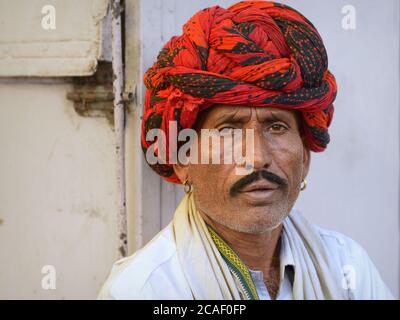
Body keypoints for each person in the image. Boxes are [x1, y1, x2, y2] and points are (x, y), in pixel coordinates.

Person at [98, 0, 393, 299]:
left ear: (305, 157)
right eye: (228, 130)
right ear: (183, 158)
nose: (258, 158)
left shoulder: (349, 270)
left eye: (277, 127)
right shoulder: (143, 290)